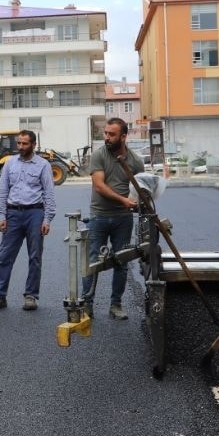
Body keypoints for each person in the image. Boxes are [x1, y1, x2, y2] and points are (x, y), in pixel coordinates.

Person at [0, 130, 56, 312]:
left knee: (35, 257)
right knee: (5, 257)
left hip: (35, 214)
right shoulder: (9, 164)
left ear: (33, 145)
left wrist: (47, 219)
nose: (21, 147)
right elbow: (2, 191)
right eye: (19, 143)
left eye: (25, 144)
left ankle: (31, 296)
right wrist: (1, 216)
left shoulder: (43, 165)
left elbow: (49, 194)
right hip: (13, 214)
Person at [80, 117, 145, 320]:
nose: (106, 137)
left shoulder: (136, 161)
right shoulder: (99, 155)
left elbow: (140, 188)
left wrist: (137, 202)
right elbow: (99, 185)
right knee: (93, 262)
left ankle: (115, 304)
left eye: (111, 134)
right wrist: (123, 201)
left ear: (123, 136)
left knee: (121, 262)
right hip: (99, 216)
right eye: (105, 133)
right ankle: (86, 304)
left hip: (123, 219)